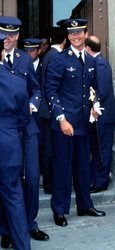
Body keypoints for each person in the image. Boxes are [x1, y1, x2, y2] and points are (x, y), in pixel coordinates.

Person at [46, 18, 106, 227]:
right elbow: (51, 91)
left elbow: (94, 89)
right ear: (68, 36)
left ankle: (84, 205)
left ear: (85, 33)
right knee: (62, 167)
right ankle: (60, 210)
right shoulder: (59, 59)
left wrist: (95, 106)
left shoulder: (91, 61)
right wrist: (61, 119)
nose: (76, 36)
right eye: (72, 33)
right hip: (65, 125)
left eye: (79, 32)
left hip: (84, 123)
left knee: (83, 167)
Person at [0, 16, 49, 247]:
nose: (7, 39)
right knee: (8, 183)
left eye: (11, 35)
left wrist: (32, 103)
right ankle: (6, 229)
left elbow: (36, 90)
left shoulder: (24, 60)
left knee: (29, 179)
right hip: (9, 129)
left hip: (26, 128)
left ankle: (29, 223)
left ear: (17, 36)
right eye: (3, 34)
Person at [0, 34, 31, 250]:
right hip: (9, 147)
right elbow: (24, 118)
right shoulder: (16, 82)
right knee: (14, 199)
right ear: (2, 52)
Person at [85, 35, 115, 193]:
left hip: (103, 115)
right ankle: (94, 179)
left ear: (87, 49)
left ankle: (101, 181)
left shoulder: (100, 64)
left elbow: (102, 90)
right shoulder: (96, 62)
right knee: (97, 148)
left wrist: (95, 106)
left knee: (103, 148)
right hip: (98, 114)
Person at [40, 27, 67, 194]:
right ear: (65, 40)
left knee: (48, 149)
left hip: (45, 108)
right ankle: (51, 183)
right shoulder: (56, 56)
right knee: (52, 150)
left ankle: (49, 182)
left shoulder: (47, 55)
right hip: (52, 110)